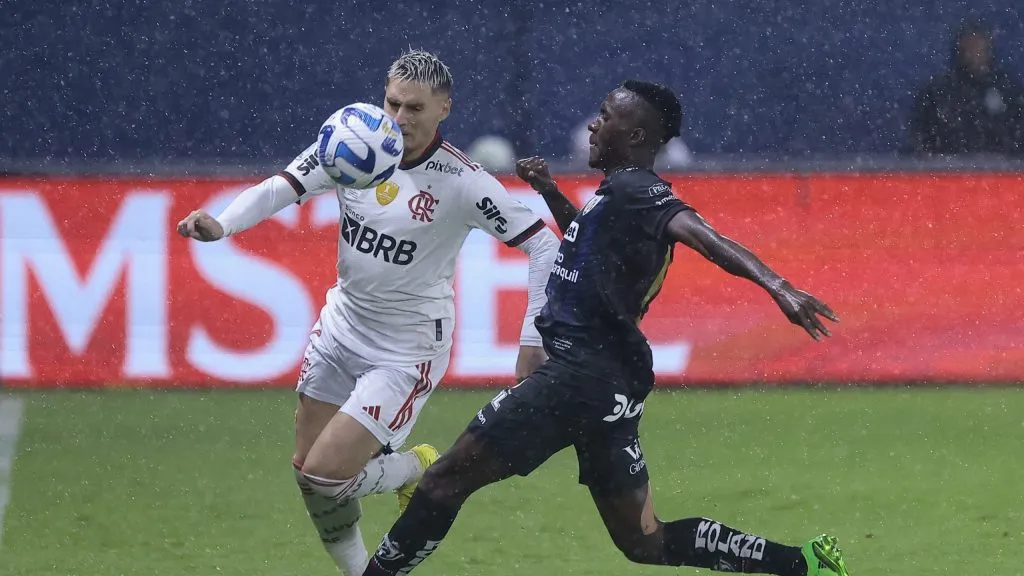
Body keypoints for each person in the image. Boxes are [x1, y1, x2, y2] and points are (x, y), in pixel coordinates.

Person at [361, 80, 850, 576]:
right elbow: (586, 246)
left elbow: (700, 232)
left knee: (443, 481)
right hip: (612, 386)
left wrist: (779, 287)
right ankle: (801, 564)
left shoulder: (641, 191)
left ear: (635, 135)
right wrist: (550, 191)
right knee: (644, 541)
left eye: (605, 116)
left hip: (575, 379)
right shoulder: (616, 196)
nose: (594, 124)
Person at [176, 49, 559, 576]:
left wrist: (532, 341)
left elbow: (544, 245)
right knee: (306, 473)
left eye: (415, 108)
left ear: (444, 108)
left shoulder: (464, 183)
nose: (400, 118)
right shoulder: (354, 143)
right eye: (393, 102)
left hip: (406, 349)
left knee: (327, 475)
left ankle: (415, 468)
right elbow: (282, 187)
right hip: (341, 327)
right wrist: (221, 226)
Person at [907, 20, 1024, 155]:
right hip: (949, 170)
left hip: (1000, 171)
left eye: (979, 48)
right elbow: (921, 135)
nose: (975, 54)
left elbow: (1018, 131)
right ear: (959, 50)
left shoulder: (1007, 89)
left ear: (989, 50)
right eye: (970, 48)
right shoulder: (938, 91)